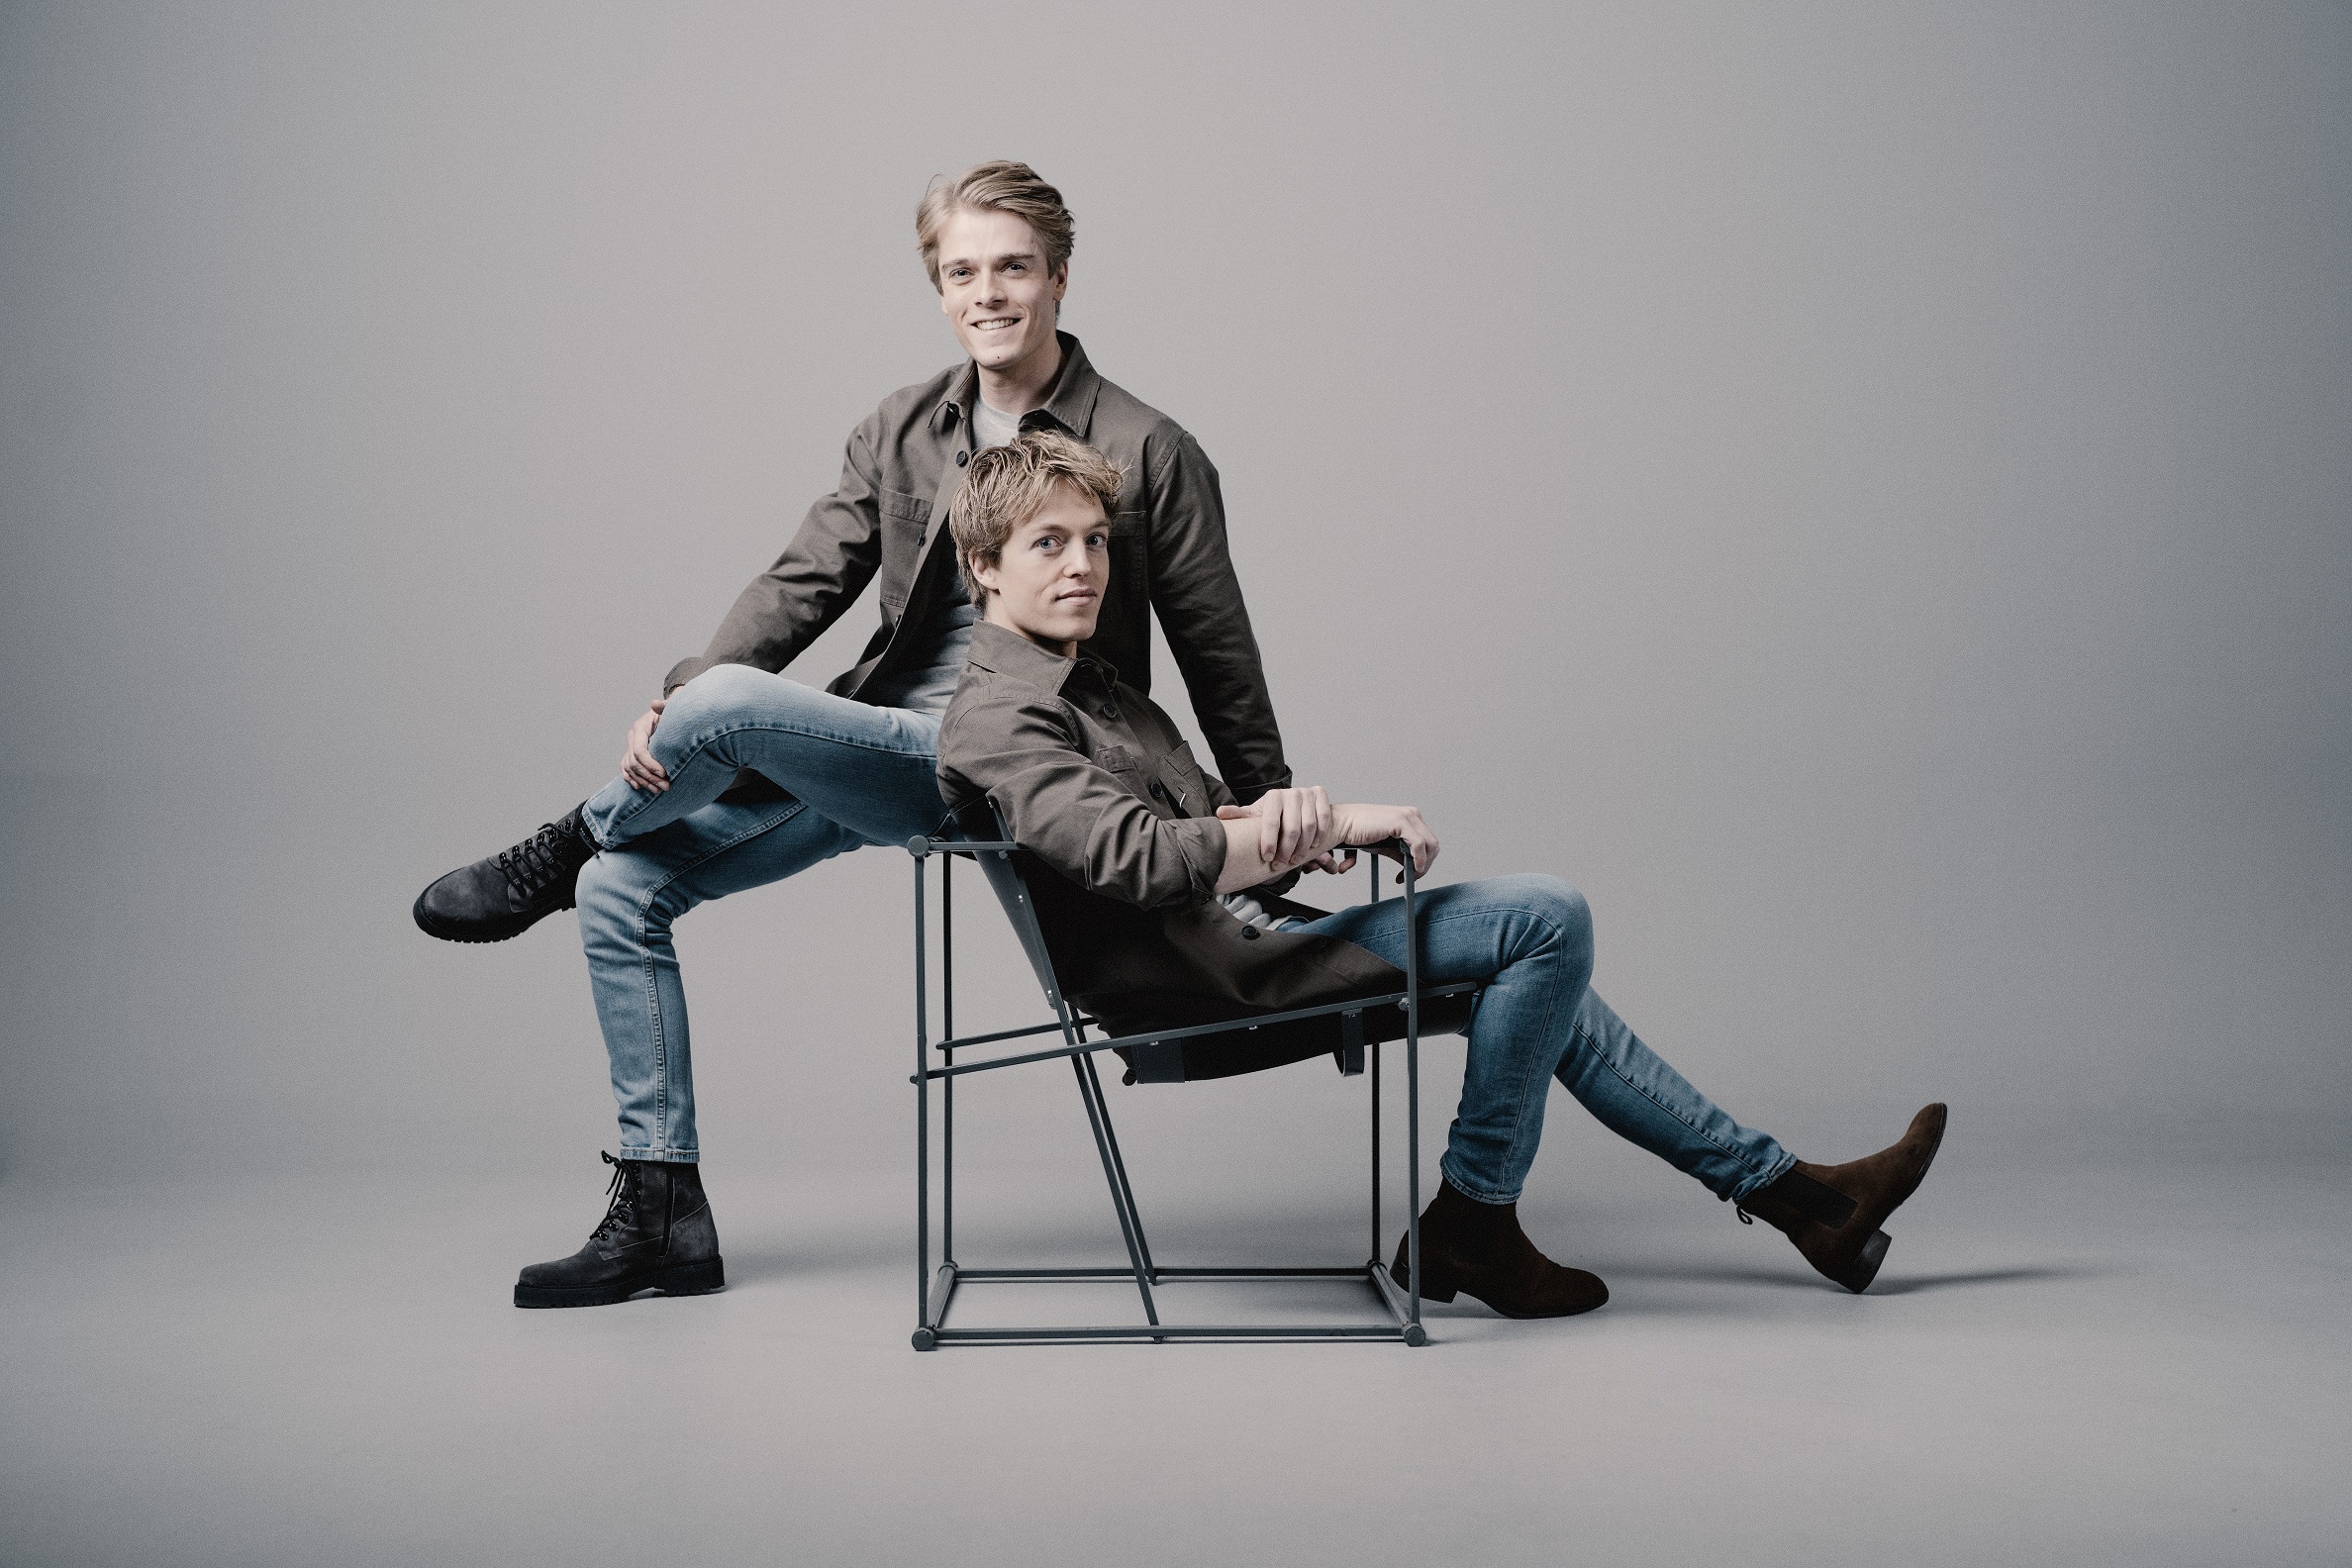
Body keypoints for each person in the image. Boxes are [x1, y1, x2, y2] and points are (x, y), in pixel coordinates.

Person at [412, 162, 1329, 1310]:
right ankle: (664, 1213)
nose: (988, 293)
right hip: (885, 747)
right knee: (622, 893)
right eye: (963, 272)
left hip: (1013, 757)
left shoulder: (1151, 448)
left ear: (1058, 276)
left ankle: (568, 839)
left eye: (1012, 267)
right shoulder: (899, 428)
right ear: (938, 287)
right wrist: (681, 694)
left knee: (715, 717)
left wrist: (1269, 822)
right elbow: (806, 579)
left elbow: (1217, 647)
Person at [935, 431, 1947, 1316]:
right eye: (1049, 544)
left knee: (1545, 985)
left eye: (1096, 540)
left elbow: (1204, 817)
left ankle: (1806, 1204)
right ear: (985, 565)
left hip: (1249, 938)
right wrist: (1318, 828)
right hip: (1204, 986)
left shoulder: (1099, 685)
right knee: (1545, 918)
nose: (1085, 566)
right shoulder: (1001, 714)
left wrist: (1302, 827)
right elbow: (1134, 857)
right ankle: (1474, 1217)